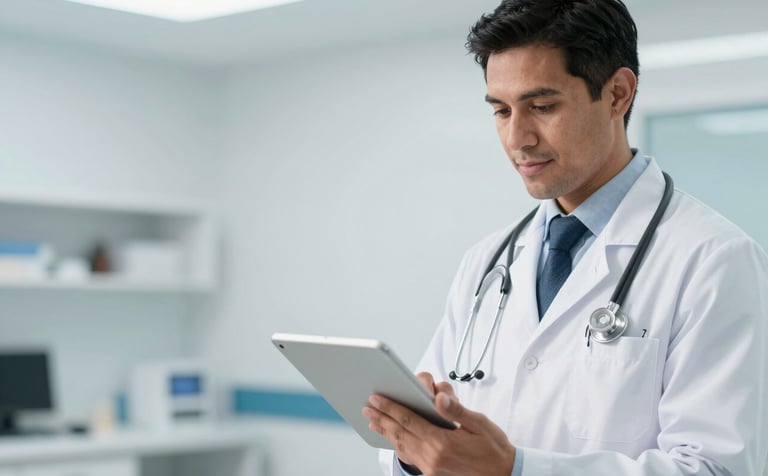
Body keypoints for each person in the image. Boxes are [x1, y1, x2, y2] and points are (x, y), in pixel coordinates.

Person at [361, 0, 768, 474]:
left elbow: (717, 468)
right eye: (501, 110)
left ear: (618, 94)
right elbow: (427, 438)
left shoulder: (714, 260)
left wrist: (515, 469)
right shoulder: (486, 263)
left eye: (542, 106)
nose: (517, 138)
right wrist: (419, 452)